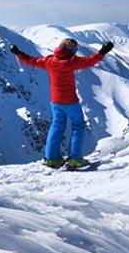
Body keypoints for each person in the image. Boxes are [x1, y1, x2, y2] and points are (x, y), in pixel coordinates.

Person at [10, 38, 114, 168]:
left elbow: (31, 61)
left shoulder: (49, 61)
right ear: (72, 50)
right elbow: (90, 60)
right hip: (70, 102)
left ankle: (51, 158)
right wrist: (103, 51)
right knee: (78, 126)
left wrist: (18, 52)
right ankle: (75, 159)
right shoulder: (71, 62)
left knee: (57, 126)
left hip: (55, 102)